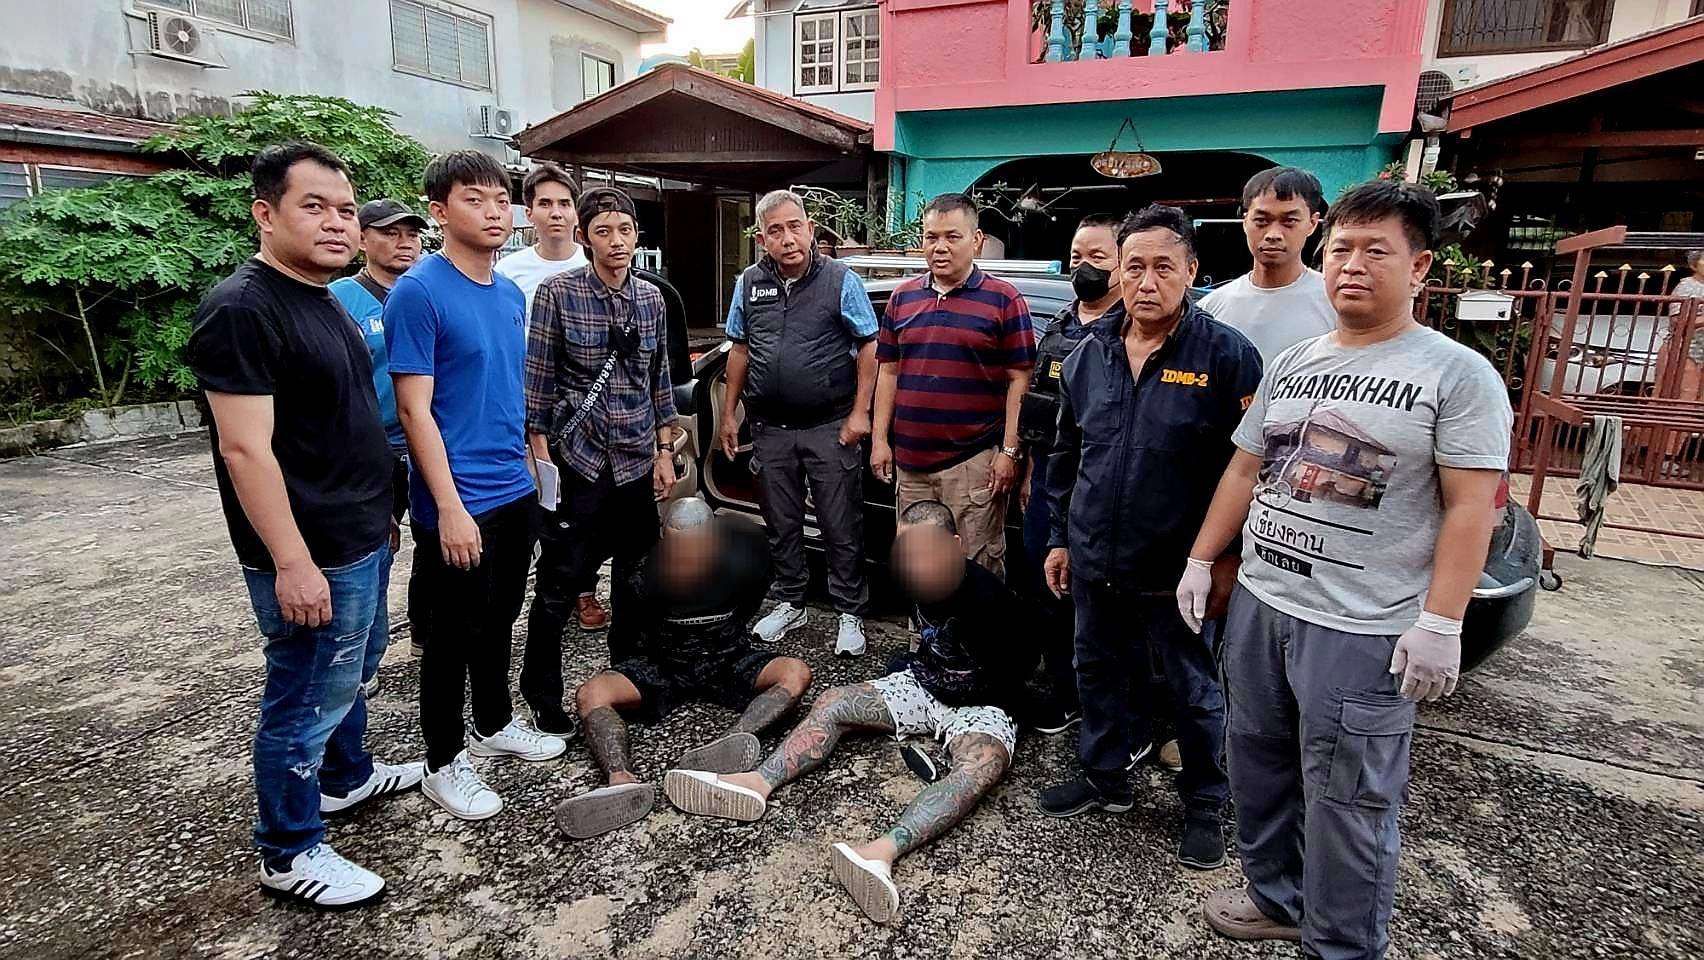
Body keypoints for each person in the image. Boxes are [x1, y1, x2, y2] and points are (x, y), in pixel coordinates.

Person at [1177, 180, 1512, 959]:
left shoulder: (1455, 375)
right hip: (1263, 602)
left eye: (1375, 251)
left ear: (1419, 267)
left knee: (1349, 799)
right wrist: (1202, 557)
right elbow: (1245, 469)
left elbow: (1473, 508)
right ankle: (1278, 896)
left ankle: (1342, 943)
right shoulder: (1296, 362)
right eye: (1343, 250)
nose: (1352, 266)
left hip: (1361, 626)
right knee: (1258, 764)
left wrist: (1441, 621)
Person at [187, 142, 421, 909]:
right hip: (310, 549)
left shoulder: (322, 297)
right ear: (265, 213)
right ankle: (287, 850)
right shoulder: (242, 310)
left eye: (345, 209)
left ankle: (345, 778)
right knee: (306, 693)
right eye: (313, 207)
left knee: (350, 669)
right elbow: (244, 449)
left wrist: (382, 516)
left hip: (359, 532)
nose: (336, 223)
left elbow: (342, 421)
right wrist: (291, 561)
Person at [663, 500, 1033, 926]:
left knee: (982, 766)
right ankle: (755, 782)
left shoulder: (992, 600)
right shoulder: (912, 579)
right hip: (926, 683)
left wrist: (980, 725)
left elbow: (1020, 672)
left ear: (955, 546)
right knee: (836, 700)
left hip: (981, 703)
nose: (917, 564)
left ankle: (879, 854)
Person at [1037, 204, 1262, 872]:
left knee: (1193, 692)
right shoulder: (1089, 355)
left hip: (1180, 568)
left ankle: (1205, 804)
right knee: (1098, 672)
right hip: (1095, 558)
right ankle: (1106, 776)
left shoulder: (1227, 357)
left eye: (1164, 266)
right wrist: (1060, 539)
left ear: (1192, 271)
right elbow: (1066, 456)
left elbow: (1251, 470)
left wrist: (1226, 559)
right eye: (1133, 265)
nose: (1146, 280)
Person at [387, 150, 568, 822]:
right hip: (458, 499)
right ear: (439, 211)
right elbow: (414, 411)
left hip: (513, 488)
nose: (494, 212)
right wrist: (448, 508)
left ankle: (493, 722)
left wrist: (532, 470)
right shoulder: (419, 292)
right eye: (474, 199)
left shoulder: (510, 293)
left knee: (499, 619)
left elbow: (510, 392)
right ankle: (442, 761)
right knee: (450, 637)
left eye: (500, 199)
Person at [555, 499, 813, 839]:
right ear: (664, 538)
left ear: (713, 542)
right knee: (591, 694)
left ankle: (729, 743)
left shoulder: (747, 559)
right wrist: (629, 673)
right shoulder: (640, 570)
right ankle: (620, 781)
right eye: (678, 551)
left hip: (726, 659)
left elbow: (750, 603)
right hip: (663, 665)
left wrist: (732, 639)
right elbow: (624, 633)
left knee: (796, 673)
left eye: (695, 551)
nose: (686, 560)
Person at [524, 185, 678, 714]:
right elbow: (538, 380)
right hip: (579, 461)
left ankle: (629, 678)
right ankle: (542, 695)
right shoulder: (558, 294)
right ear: (585, 238)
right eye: (604, 231)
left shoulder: (651, 299)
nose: (617, 241)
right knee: (559, 583)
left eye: (625, 230)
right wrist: (540, 455)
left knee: (637, 579)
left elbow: (659, 380)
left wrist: (663, 450)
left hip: (635, 459)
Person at [718, 189, 879, 656]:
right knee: (781, 522)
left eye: (794, 227)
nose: (787, 238)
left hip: (830, 426)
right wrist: (728, 414)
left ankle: (849, 611)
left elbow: (870, 347)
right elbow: (739, 350)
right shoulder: (750, 283)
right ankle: (791, 601)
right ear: (761, 239)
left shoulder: (841, 280)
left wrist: (860, 413)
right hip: (770, 429)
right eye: (775, 231)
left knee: (839, 523)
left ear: (810, 229)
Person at [870, 193, 1036, 580]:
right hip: (910, 467)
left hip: (972, 464)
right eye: (931, 237)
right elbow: (888, 372)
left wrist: (1009, 451)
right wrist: (879, 440)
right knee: (919, 566)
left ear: (976, 240)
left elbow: (1020, 380)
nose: (940, 247)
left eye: (952, 236)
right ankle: (924, 624)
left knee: (976, 567)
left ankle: (976, 624)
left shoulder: (1004, 299)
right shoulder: (902, 297)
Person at [1013, 213, 1124, 735]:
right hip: (1050, 487)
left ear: (1122, 263)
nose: (1084, 267)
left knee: (1100, 600)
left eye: (1098, 257)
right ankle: (1063, 692)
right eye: (1077, 257)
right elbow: (1039, 411)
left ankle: (1105, 707)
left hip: (1104, 489)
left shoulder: (1133, 330)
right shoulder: (1058, 326)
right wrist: (1029, 472)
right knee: (1047, 588)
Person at [495, 163, 608, 632]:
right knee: (543, 508)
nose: (556, 213)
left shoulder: (594, 264)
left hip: (590, 412)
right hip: (530, 409)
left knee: (588, 511)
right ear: (530, 212)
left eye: (564, 203)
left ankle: (584, 590)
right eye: (545, 203)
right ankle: (547, 597)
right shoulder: (508, 272)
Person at [330, 198, 431, 689]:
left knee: (437, 546)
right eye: (390, 233)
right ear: (362, 239)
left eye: (411, 233)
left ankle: (426, 633)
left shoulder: (428, 291)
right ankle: (363, 663)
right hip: (372, 449)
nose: (403, 243)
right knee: (373, 557)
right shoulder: (340, 300)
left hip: (428, 442)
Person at [1198, 167, 1336, 367]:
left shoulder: (1336, 303)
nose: (1273, 234)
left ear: (1312, 223)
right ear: (1245, 222)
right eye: (1261, 221)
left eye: (1289, 221)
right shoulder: (1210, 309)